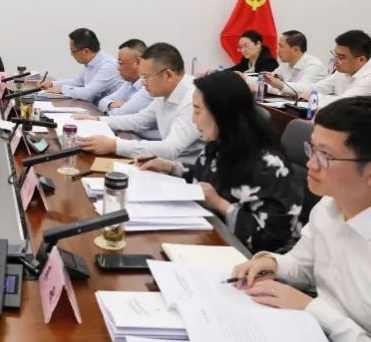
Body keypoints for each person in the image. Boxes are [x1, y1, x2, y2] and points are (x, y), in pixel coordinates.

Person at [231, 97, 371, 342]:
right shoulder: (328, 206)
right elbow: (303, 266)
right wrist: (273, 264)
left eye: (325, 155)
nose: (310, 164)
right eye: (312, 149)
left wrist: (311, 308)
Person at [137, 71, 302, 253]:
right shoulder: (220, 143)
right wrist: (170, 167)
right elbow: (206, 178)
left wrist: (218, 203)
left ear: (222, 113)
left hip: (251, 257)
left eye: (197, 111)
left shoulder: (266, 165)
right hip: (216, 236)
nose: (193, 119)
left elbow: (269, 237)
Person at [79, 42, 204, 166]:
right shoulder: (165, 92)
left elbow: (170, 149)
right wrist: (98, 120)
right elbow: (138, 120)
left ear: (168, 75)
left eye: (146, 76)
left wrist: (115, 145)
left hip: (187, 172)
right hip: (164, 164)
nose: (143, 83)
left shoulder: (192, 99)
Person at [39, 28, 122, 102]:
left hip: (107, 111)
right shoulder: (91, 62)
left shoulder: (108, 65)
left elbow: (88, 93)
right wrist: (51, 84)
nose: (71, 55)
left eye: (73, 51)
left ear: (85, 51)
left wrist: (62, 89)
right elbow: (77, 82)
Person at [297, 29, 371, 100]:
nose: (335, 61)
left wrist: (313, 97)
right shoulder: (342, 71)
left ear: (361, 60)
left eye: (341, 57)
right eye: (335, 54)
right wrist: (289, 87)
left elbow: (345, 101)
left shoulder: (368, 78)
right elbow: (316, 88)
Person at [97, 39, 154, 117]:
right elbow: (102, 102)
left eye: (121, 63)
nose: (118, 68)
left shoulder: (148, 88)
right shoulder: (129, 83)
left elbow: (118, 115)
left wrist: (119, 109)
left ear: (138, 62)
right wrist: (111, 104)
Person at [261, 30, 327, 97]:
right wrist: (268, 78)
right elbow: (276, 76)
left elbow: (300, 91)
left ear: (296, 49)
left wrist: (277, 86)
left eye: (281, 46)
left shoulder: (314, 65)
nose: (277, 50)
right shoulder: (286, 64)